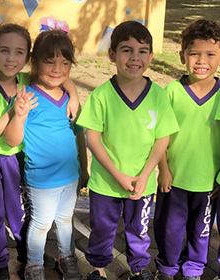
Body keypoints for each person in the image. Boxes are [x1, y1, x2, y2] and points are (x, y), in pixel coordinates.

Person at [0, 23, 80, 280]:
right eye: (5, 51)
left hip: (17, 158)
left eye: (19, 52)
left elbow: (61, 74)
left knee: (20, 213)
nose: (11, 58)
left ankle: (32, 257)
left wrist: (73, 94)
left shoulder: (24, 79)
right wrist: (13, 113)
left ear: (27, 58)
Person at [76, 21, 179, 280]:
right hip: (106, 183)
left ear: (151, 56)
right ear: (112, 55)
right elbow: (93, 139)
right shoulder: (101, 96)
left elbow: (161, 139)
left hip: (142, 184)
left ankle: (139, 270)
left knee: (139, 230)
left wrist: (145, 175)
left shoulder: (158, 95)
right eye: (126, 50)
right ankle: (98, 270)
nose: (135, 57)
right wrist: (117, 174)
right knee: (102, 229)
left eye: (142, 51)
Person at [4, 29, 89, 280]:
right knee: (40, 225)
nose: (57, 69)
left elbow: (79, 136)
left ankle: (67, 256)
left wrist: (84, 169)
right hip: (40, 181)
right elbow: (11, 140)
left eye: (64, 62)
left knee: (65, 221)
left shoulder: (69, 100)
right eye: (49, 61)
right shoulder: (26, 98)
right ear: (34, 61)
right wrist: (18, 117)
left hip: (70, 177)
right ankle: (34, 265)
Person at [153, 19, 220, 280]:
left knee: (200, 232)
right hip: (174, 180)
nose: (201, 61)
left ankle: (193, 268)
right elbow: (161, 136)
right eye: (194, 53)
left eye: (210, 54)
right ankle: (167, 268)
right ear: (182, 56)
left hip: (207, 184)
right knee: (168, 230)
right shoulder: (170, 92)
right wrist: (163, 169)